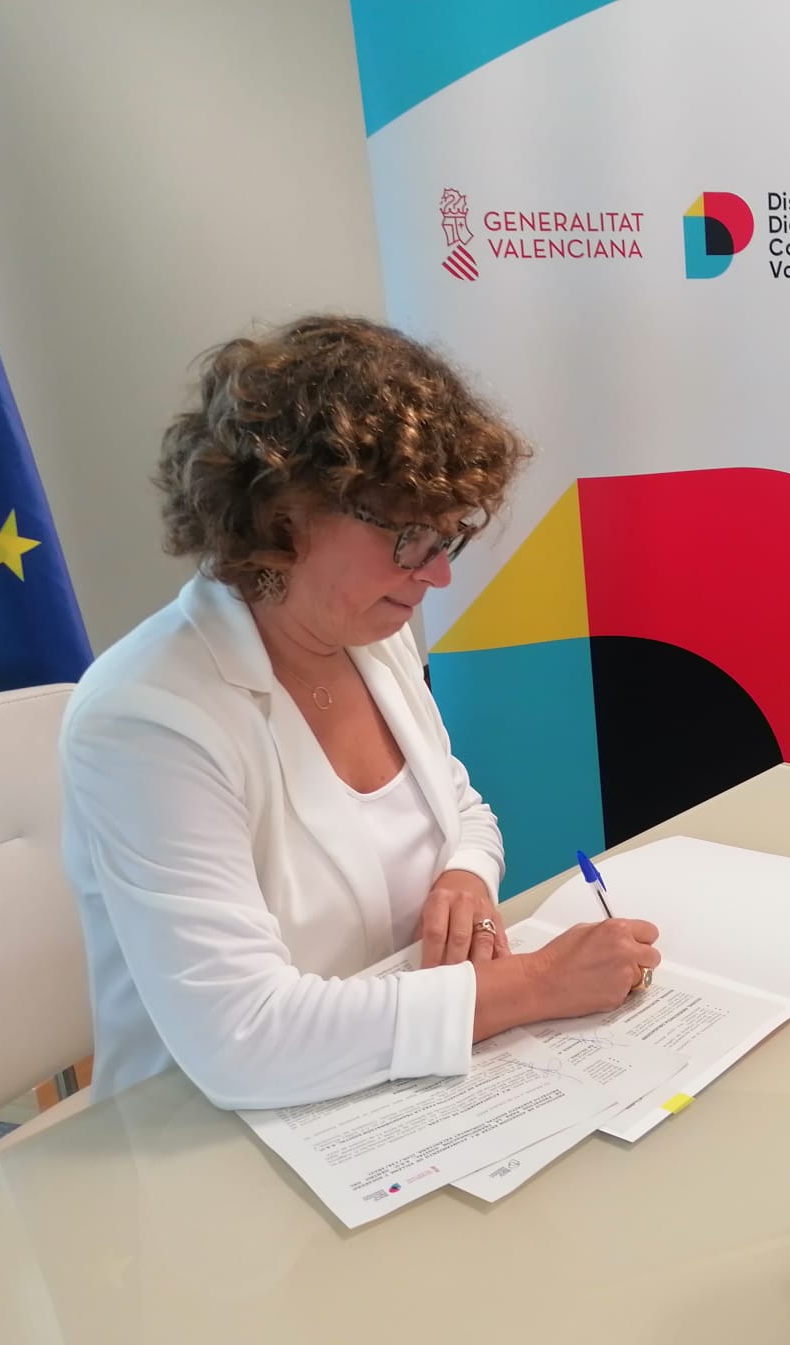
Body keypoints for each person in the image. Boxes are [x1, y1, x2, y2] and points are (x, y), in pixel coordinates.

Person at [62, 315, 660, 1109]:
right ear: (281, 513)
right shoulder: (147, 718)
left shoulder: (368, 636)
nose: (438, 575)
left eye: (449, 537)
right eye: (411, 536)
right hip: (208, 1128)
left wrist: (465, 873)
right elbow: (245, 1040)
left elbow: (462, 809)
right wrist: (539, 984)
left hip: (387, 1090)